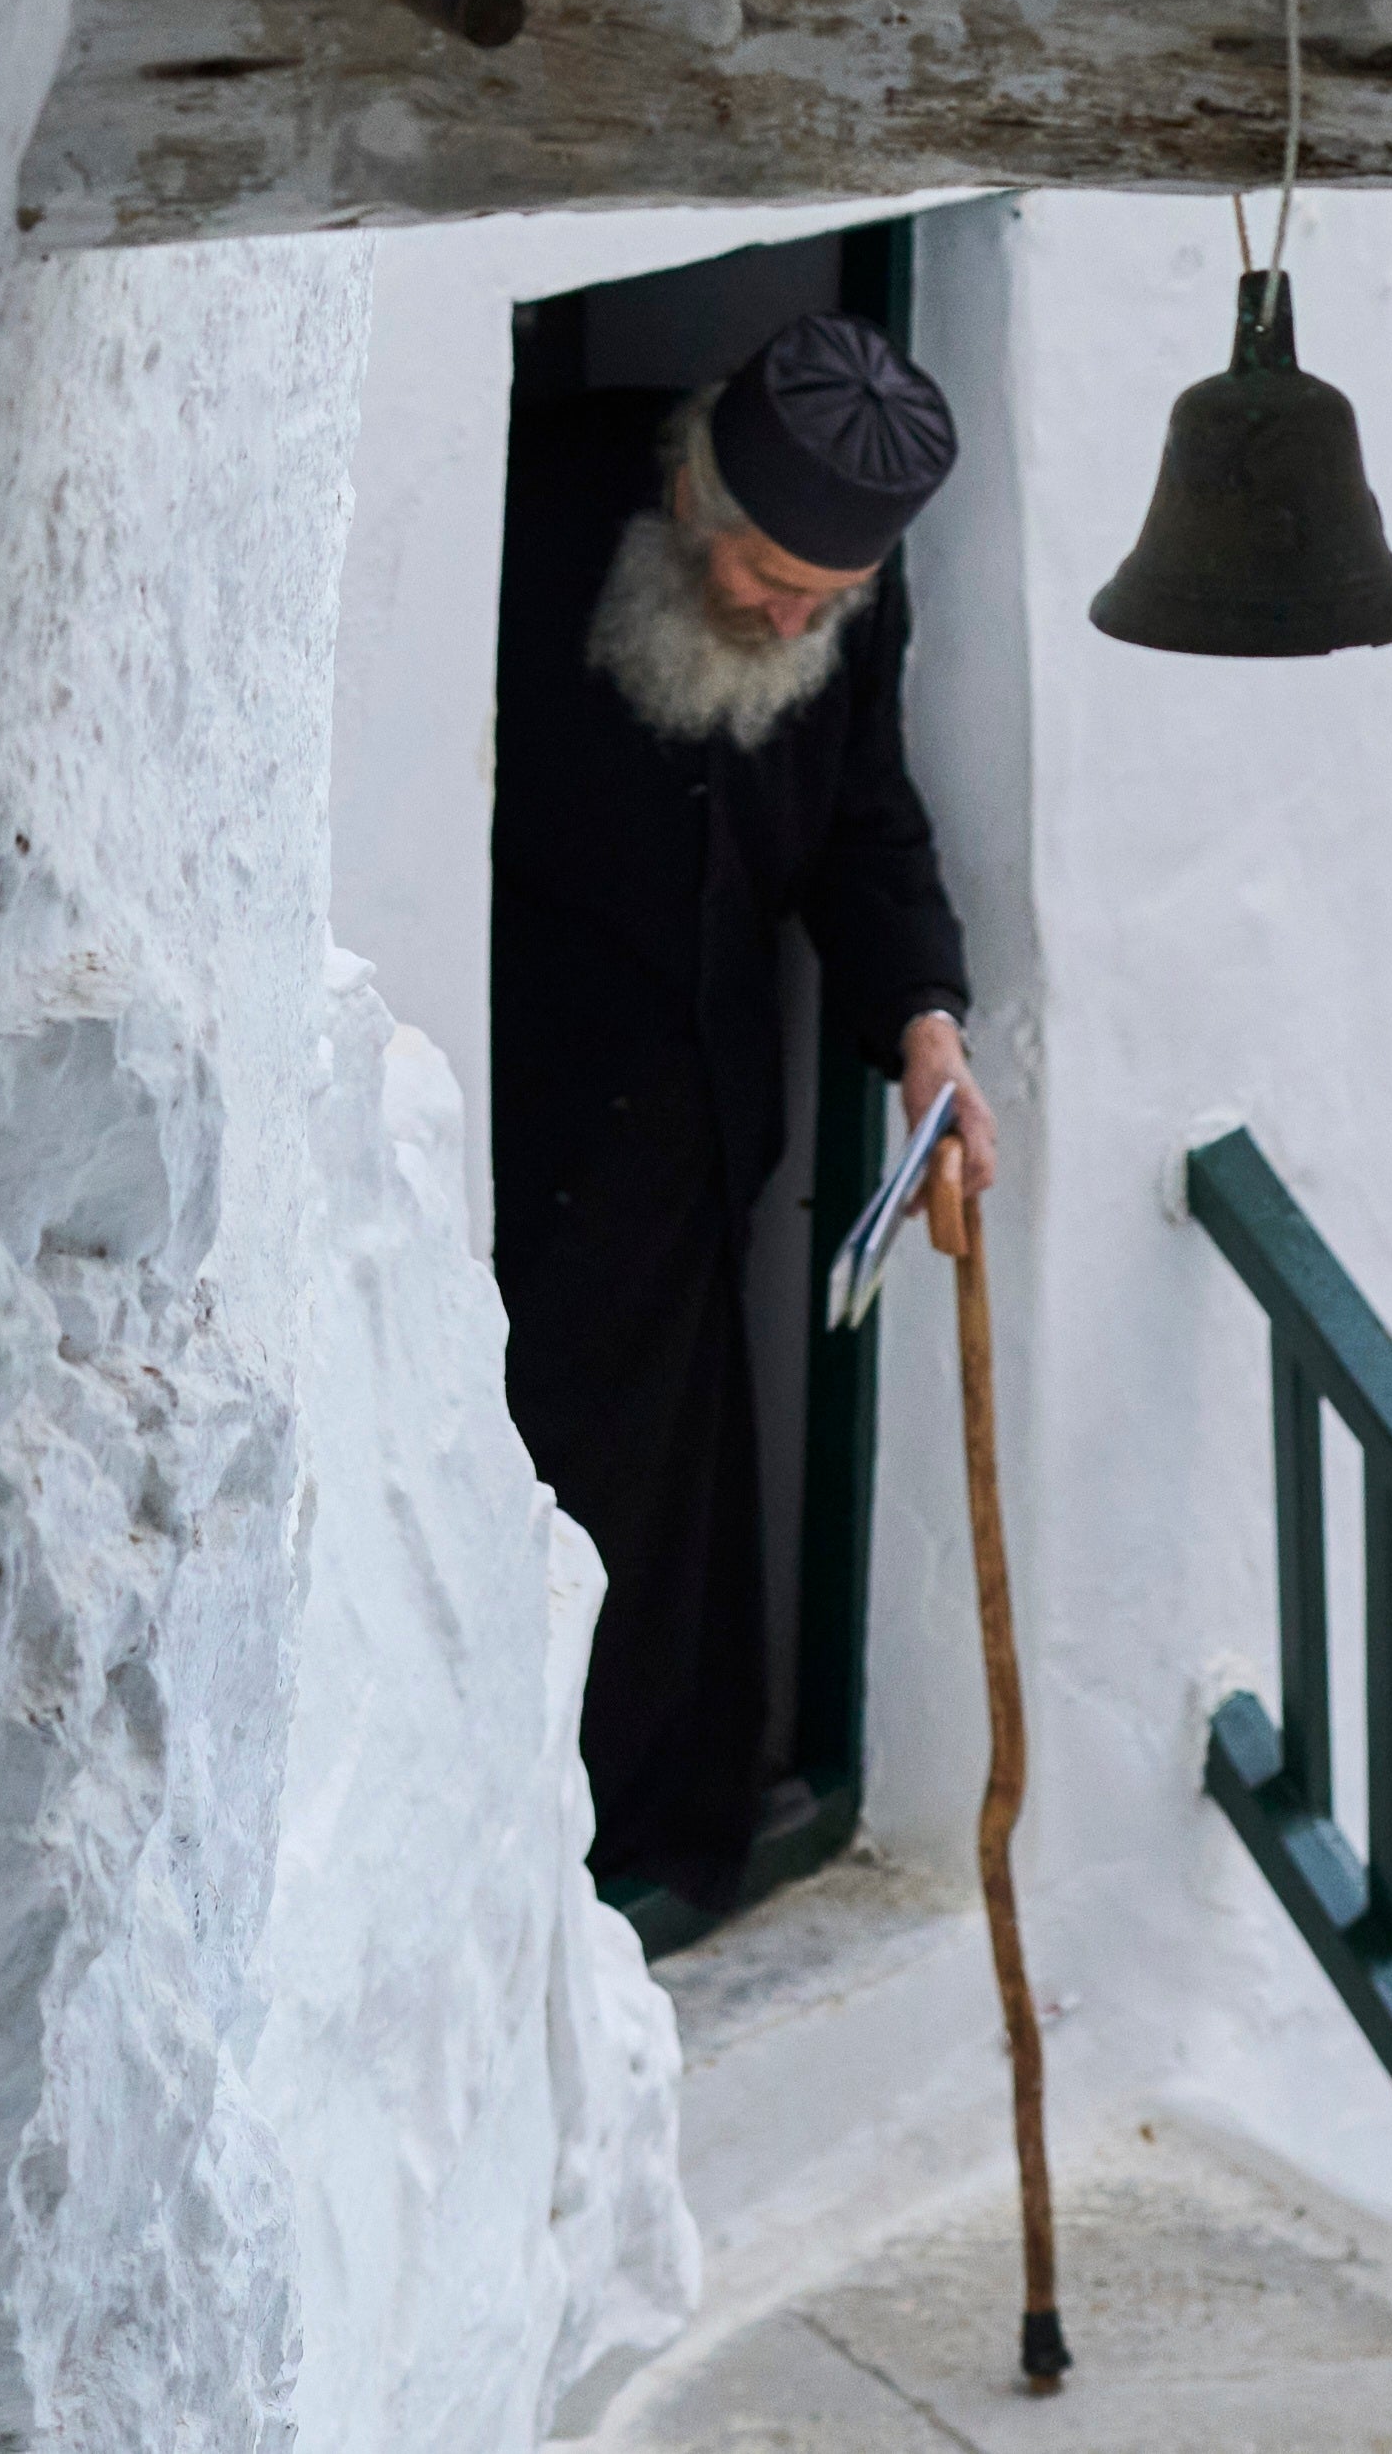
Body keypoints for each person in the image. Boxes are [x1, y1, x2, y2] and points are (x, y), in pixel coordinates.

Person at [486, 307, 1002, 1912]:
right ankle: (515, 1869)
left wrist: (924, 1023)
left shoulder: (845, 600)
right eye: (769, 585)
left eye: (821, 602)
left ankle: (645, 1855)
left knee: (665, 1525)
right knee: (519, 1501)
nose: (789, 624)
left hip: (698, 1124)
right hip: (516, 1100)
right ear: (697, 506)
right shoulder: (541, 510)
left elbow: (864, 816)